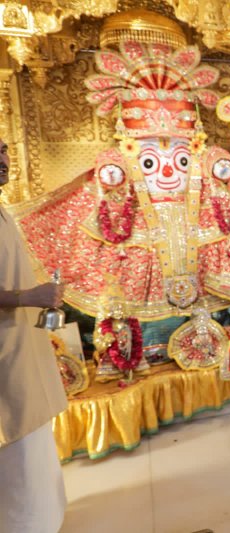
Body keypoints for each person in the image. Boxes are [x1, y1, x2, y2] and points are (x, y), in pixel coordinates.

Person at [0, 137, 69, 533]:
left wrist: (39, 295)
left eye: (4, 150)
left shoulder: (4, 210)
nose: (3, 159)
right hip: (5, 356)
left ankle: (44, 520)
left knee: (36, 441)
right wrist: (28, 297)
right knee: (17, 445)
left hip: (21, 345)